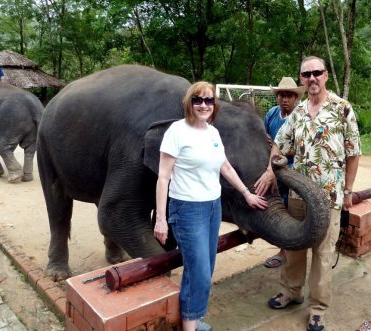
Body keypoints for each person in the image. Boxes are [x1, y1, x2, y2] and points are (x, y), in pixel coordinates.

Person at [254, 56, 361, 331]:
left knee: (323, 254)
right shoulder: (298, 112)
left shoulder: (342, 109)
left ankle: (317, 309)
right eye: (306, 74)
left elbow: (353, 154)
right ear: (302, 79)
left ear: (325, 75)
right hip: (299, 196)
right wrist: (269, 171)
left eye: (317, 73)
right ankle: (292, 291)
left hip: (330, 197)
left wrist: (348, 190)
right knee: (293, 247)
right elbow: (279, 146)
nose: (312, 78)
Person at [154, 81, 268, 331]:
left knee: (204, 267)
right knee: (200, 272)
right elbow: (163, 176)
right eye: (198, 100)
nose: (204, 105)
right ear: (189, 102)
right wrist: (161, 219)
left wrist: (247, 193)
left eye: (209, 100)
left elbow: (224, 166)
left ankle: (191, 319)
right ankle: (191, 327)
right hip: (187, 209)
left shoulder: (212, 132)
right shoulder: (177, 131)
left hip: (212, 208)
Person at [262, 77, 305, 268]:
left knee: (290, 208)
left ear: (296, 98)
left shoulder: (301, 117)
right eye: (281, 95)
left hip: (292, 170)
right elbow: (265, 136)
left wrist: (282, 149)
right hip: (273, 169)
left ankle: (284, 251)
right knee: (277, 204)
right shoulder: (272, 114)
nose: (284, 99)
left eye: (288, 95)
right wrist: (268, 143)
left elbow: (305, 147)